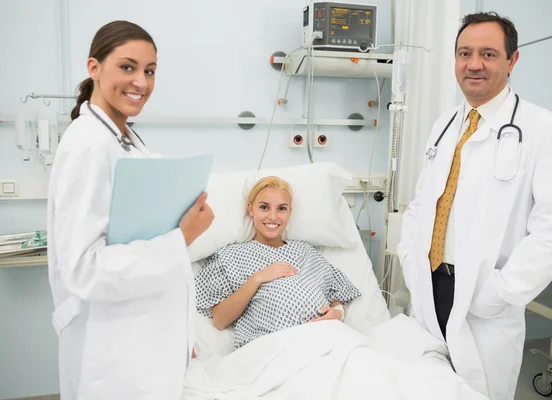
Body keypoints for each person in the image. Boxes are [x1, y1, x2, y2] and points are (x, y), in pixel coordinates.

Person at [396, 12, 552, 400]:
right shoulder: (446, 123)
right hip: (428, 284)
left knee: (480, 392)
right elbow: (421, 201)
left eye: (488, 54)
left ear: (512, 61)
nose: (474, 64)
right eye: (464, 53)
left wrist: (502, 291)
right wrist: (408, 253)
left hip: (485, 298)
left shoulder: (542, 129)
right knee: (422, 388)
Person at [47, 21, 214, 399]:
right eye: (127, 67)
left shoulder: (123, 139)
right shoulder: (88, 145)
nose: (141, 82)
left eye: (150, 71)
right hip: (112, 351)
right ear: (94, 68)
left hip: (143, 341)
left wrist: (181, 335)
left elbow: (137, 236)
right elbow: (84, 270)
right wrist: (183, 236)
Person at [194, 176, 361, 349]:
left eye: (281, 209)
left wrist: (338, 314)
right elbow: (220, 320)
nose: (273, 217)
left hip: (323, 340)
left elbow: (335, 294)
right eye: (264, 207)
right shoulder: (231, 256)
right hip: (270, 347)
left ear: (290, 212)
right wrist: (257, 278)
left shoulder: (306, 252)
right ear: (251, 209)